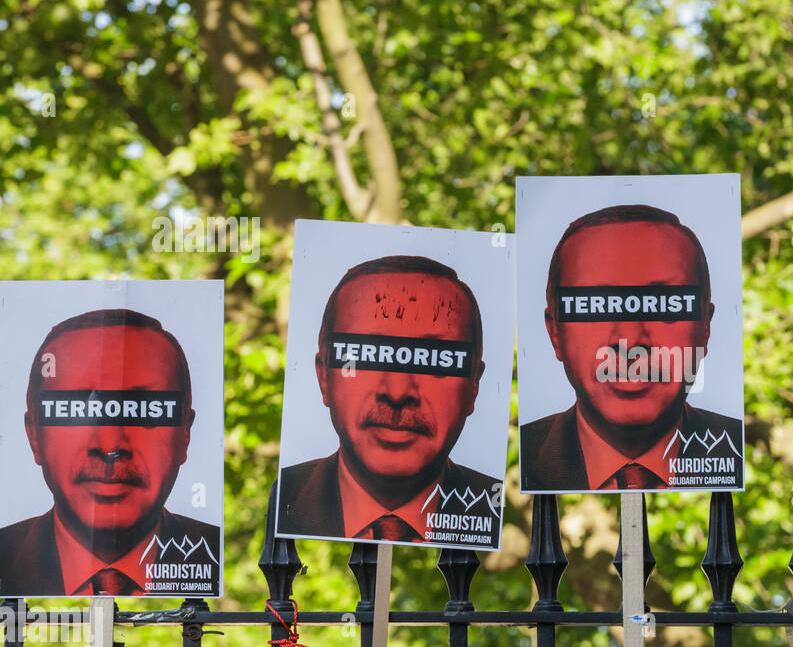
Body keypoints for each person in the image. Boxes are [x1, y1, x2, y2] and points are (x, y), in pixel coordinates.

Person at [277, 255, 499, 544]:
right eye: (370, 355)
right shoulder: (282, 498)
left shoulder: (496, 510)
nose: (397, 393)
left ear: (474, 385)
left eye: (434, 360)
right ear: (323, 377)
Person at [520, 204, 743, 491]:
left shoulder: (739, 451)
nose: (630, 340)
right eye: (597, 306)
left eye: (663, 304)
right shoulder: (518, 465)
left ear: (705, 327)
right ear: (554, 332)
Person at [0, 309, 219, 597]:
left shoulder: (212, 550)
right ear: (33, 435)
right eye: (77, 411)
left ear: (185, 432)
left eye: (143, 411)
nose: (110, 446)